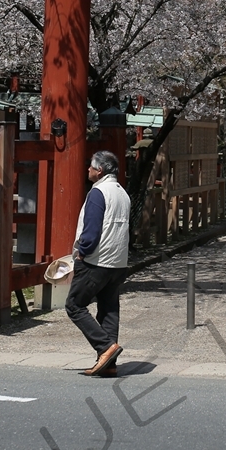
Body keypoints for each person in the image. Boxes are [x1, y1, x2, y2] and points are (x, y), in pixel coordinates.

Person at [64, 149, 131, 377]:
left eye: (91, 167)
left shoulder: (98, 193)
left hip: (97, 260)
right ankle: (109, 364)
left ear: (99, 170)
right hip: (118, 260)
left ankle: (105, 347)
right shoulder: (122, 193)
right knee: (109, 310)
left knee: (74, 305)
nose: (88, 170)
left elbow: (91, 231)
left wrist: (82, 252)